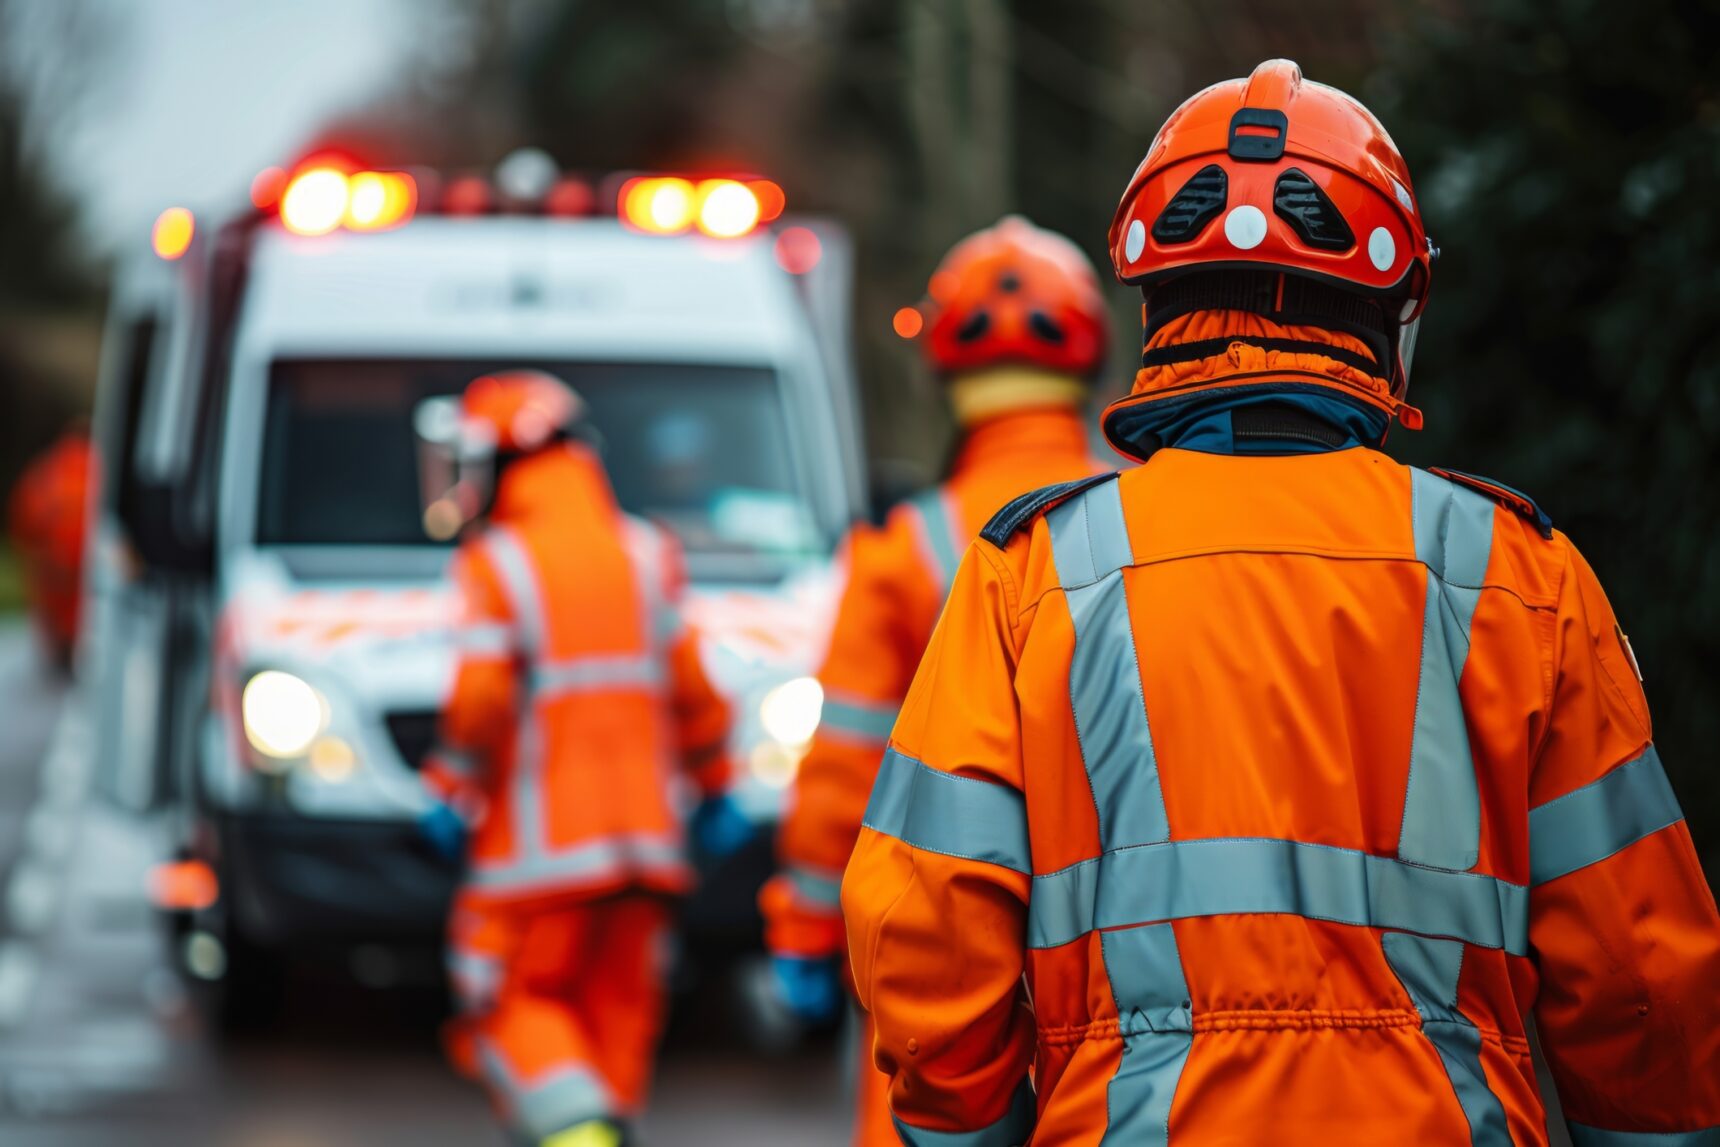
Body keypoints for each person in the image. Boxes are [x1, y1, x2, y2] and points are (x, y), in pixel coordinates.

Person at [841, 59, 1720, 1146]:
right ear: (1389, 313)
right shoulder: (1513, 571)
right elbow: (1638, 960)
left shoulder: (1032, 572)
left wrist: (967, 1127)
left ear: (1152, 305)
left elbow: (929, 929)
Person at [760, 216, 1111, 1144]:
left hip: (940, 955)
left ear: (947, 372)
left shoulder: (905, 549)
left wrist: (800, 924)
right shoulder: (1149, 522)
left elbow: (845, 759)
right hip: (1119, 962)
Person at [416, 370, 739, 1147]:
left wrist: (448, 786)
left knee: (505, 1002)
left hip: (537, 858)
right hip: (649, 850)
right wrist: (716, 784)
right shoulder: (646, 549)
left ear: (500, 462)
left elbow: (482, 703)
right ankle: (599, 1130)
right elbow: (693, 686)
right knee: (615, 1015)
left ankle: (582, 1137)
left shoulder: (498, 561)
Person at [6, 427, 93, 672]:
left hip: (53, 571)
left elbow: (24, 518)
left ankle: (64, 656)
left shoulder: (47, 471)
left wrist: (34, 552)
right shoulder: (98, 469)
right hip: (83, 572)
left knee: (59, 621)